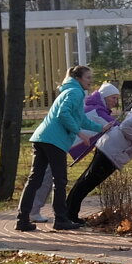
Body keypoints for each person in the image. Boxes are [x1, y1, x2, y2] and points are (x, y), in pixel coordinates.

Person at [15, 66, 111, 231]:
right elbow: (63, 114)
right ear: (79, 78)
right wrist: (79, 133)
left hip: (41, 138)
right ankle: (60, 220)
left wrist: (100, 128)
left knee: (34, 180)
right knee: (59, 181)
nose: (90, 81)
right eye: (88, 78)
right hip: (55, 141)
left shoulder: (70, 91)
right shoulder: (75, 93)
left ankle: (22, 220)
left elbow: (80, 119)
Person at [66, 90, 132, 224]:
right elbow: (126, 126)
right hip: (113, 150)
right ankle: (69, 214)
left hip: (110, 147)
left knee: (87, 180)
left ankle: (68, 211)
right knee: (88, 182)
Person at [30, 82, 121, 223]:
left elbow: (88, 122)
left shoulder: (92, 107)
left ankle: (38, 211)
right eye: (113, 98)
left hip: (57, 142)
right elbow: (117, 127)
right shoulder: (94, 109)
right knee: (47, 179)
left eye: (116, 98)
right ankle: (35, 211)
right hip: (56, 142)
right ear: (104, 97)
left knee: (48, 178)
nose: (115, 102)